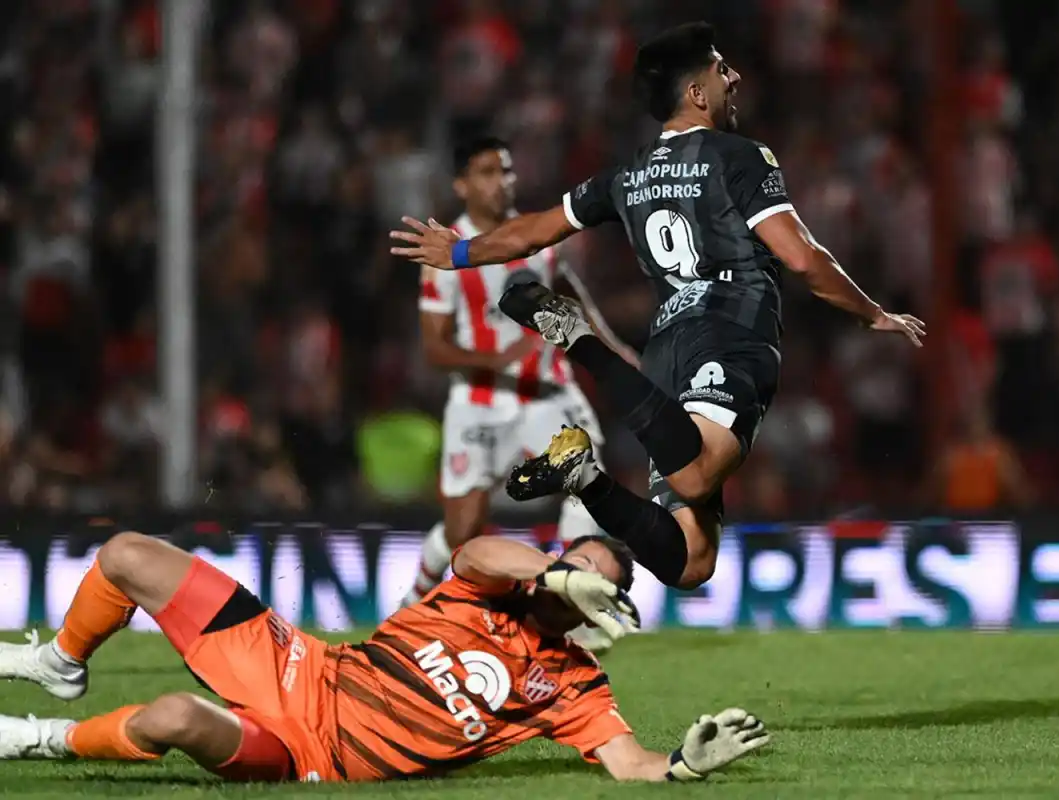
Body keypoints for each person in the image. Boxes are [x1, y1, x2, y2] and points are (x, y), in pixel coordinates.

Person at [391, 22, 925, 590]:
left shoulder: (627, 175)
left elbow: (534, 231)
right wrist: (871, 313)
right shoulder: (740, 157)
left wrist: (463, 251)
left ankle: (584, 477)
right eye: (722, 69)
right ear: (697, 93)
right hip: (730, 328)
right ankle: (582, 342)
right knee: (695, 476)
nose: (734, 77)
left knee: (690, 561)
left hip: (666, 352)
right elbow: (801, 257)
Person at [0, 531, 767, 783]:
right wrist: (557, 570)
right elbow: (476, 548)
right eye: (575, 561)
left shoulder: (570, 681)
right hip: (297, 662)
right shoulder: (487, 586)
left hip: (313, 750)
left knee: (172, 716)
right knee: (128, 554)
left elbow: (626, 761)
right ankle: (64, 663)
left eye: (598, 577)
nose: (578, 577)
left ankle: (39, 738)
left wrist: (681, 767)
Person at [410, 137, 635, 654]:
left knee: (587, 478)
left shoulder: (538, 235)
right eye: (487, 172)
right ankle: (413, 604)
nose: (502, 182)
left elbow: (571, 292)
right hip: (481, 401)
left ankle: (568, 606)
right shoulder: (445, 252)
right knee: (461, 528)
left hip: (548, 394)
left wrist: (616, 347)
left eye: (507, 171)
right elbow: (436, 350)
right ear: (461, 185)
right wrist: (500, 360)